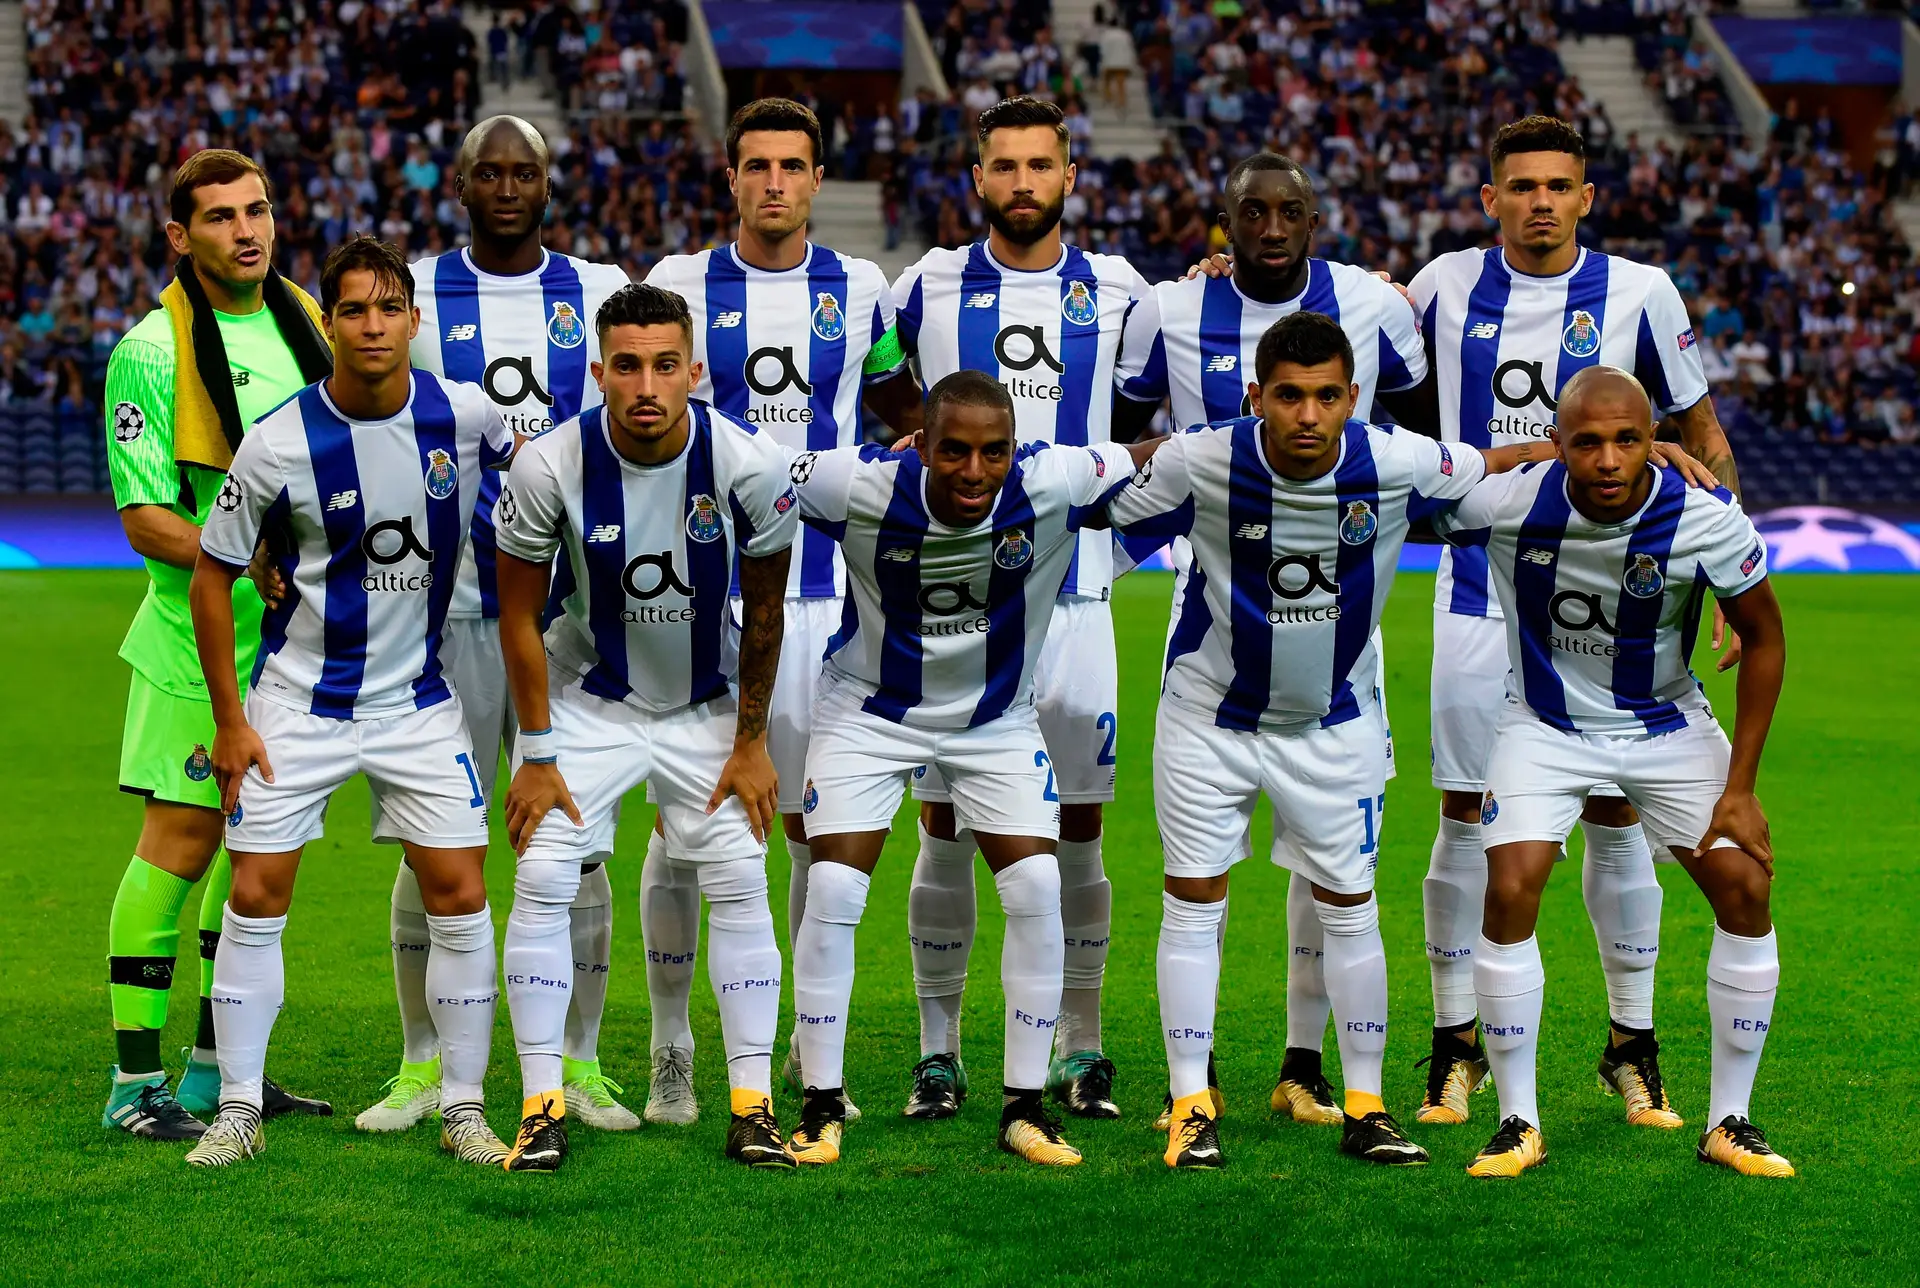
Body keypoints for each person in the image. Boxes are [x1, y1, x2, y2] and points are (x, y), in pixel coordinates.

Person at [1108, 311, 1567, 1169]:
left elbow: (1500, 464)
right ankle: (1189, 1105)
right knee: (1193, 904)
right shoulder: (1202, 458)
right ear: (1257, 398)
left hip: (1337, 725)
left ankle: (1365, 1105)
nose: (1309, 415)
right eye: (1289, 397)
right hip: (1209, 720)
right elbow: (1094, 493)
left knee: (1350, 907)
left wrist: (1645, 454)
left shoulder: (1395, 458)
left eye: (1327, 397)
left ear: (1354, 398)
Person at [1404, 115, 1742, 1127]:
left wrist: (1726, 564)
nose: (1541, 200)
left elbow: (1700, 429)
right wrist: (1212, 269)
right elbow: (1334, 320)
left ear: (1587, 197)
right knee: (1468, 816)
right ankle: (1454, 1041)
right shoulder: (1438, 286)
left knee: (1617, 805)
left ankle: (1630, 1045)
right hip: (1477, 595)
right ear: (1490, 200)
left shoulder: (1642, 291)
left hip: (1611, 597)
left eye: (1560, 185)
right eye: (1522, 185)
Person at [182, 236, 518, 1169]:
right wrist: (230, 722)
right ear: (327, 322)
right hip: (296, 704)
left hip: (418, 703)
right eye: (353, 310)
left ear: (415, 318)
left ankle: (462, 1108)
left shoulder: (469, 416)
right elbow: (213, 577)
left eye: (389, 308)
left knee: (459, 895)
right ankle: (239, 1109)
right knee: (256, 895)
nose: (373, 326)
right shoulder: (279, 441)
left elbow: (548, 476)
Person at [1119, 152, 1429, 1128]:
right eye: (1251, 211)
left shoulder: (1376, 310)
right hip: (1211, 631)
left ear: (1314, 216)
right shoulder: (1171, 312)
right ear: (1224, 219)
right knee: (1198, 890)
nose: (1270, 226)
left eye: (1288, 210)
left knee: (1336, 879)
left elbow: (1438, 440)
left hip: (1341, 659)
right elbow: (1121, 445)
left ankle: (1312, 1066)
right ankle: (1191, 1095)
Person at [781, 371, 1158, 1168]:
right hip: (870, 709)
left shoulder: (1054, 479)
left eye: (993, 453)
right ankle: (820, 1105)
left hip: (995, 718)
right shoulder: (857, 482)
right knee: (837, 885)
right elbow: (750, 473)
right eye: (953, 451)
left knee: (1034, 886)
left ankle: (1023, 1108)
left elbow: (1161, 454)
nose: (974, 472)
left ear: (1014, 450)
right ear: (919, 443)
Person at [1429, 366, 1791, 1179]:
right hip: (1545, 724)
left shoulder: (1704, 519)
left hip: (1665, 724)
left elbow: (1765, 639)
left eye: (1629, 439)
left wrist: (1739, 790)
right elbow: (1419, 481)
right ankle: (1518, 1121)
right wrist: (1517, 452)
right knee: (1512, 885)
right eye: (1584, 441)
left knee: (1745, 888)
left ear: (1651, 443)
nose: (1606, 458)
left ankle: (1730, 1120)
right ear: (1558, 446)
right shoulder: (1511, 504)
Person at [641, 97, 922, 1126]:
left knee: (807, 829)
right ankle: (673, 1046)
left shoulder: (861, 288)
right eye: (754, 165)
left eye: (791, 166)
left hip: (821, 605)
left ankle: (810, 1056)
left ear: (816, 180)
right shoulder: (676, 285)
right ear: (730, 178)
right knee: (686, 834)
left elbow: (898, 405)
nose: (772, 183)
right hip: (693, 605)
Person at [889, 95, 1160, 1120]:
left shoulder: (1124, 293)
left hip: (1078, 598)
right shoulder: (926, 285)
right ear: (977, 182)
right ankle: (938, 1051)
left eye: (1039, 166)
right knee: (947, 824)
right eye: (1003, 167)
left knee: (1079, 831)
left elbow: (1145, 423)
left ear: (1068, 178)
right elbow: (878, 393)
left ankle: (1080, 1049)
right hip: (956, 601)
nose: (1021, 184)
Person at [490, 283, 799, 1172]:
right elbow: (520, 618)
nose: (647, 384)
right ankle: (541, 1107)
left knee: (741, 877)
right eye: (627, 366)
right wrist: (539, 753)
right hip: (591, 698)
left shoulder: (750, 463)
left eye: (666, 364)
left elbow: (768, 613)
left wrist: (750, 742)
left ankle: (751, 1108)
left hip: (707, 702)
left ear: (695, 371)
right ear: (599, 374)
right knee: (545, 875)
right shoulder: (549, 465)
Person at [365, 115, 634, 1135]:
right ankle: (421, 1061)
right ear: (462, 184)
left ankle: (582, 1059)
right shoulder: (419, 294)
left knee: (582, 837)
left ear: (550, 184)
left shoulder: (601, 287)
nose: (509, 187)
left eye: (526, 172)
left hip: (572, 617)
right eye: (491, 173)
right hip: (449, 615)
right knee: (434, 842)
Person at [100, 148, 333, 1139]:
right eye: (223, 216)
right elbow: (147, 516)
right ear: (179, 235)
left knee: (256, 863)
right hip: (197, 648)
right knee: (180, 849)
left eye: (260, 210)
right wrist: (245, 557)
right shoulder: (152, 351)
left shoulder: (307, 323)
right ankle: (130, 1086)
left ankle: (214, 1074)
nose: (248, 229)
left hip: (294, 645)